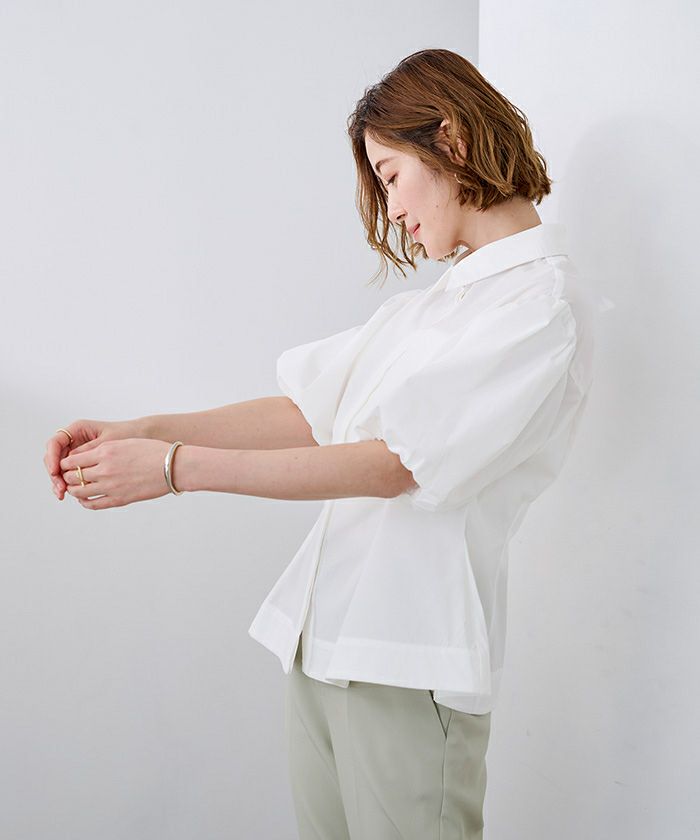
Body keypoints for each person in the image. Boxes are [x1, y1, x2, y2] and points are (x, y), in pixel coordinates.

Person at [44, 48, 602, 840]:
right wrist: (142, 430)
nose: (392, 208)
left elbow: (391, 465)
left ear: (451, 139)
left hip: (409, 657)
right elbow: (310, 411)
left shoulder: (538, 308)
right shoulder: (437, 307)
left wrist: (172, 470)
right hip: (326, 642)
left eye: (390, 176)